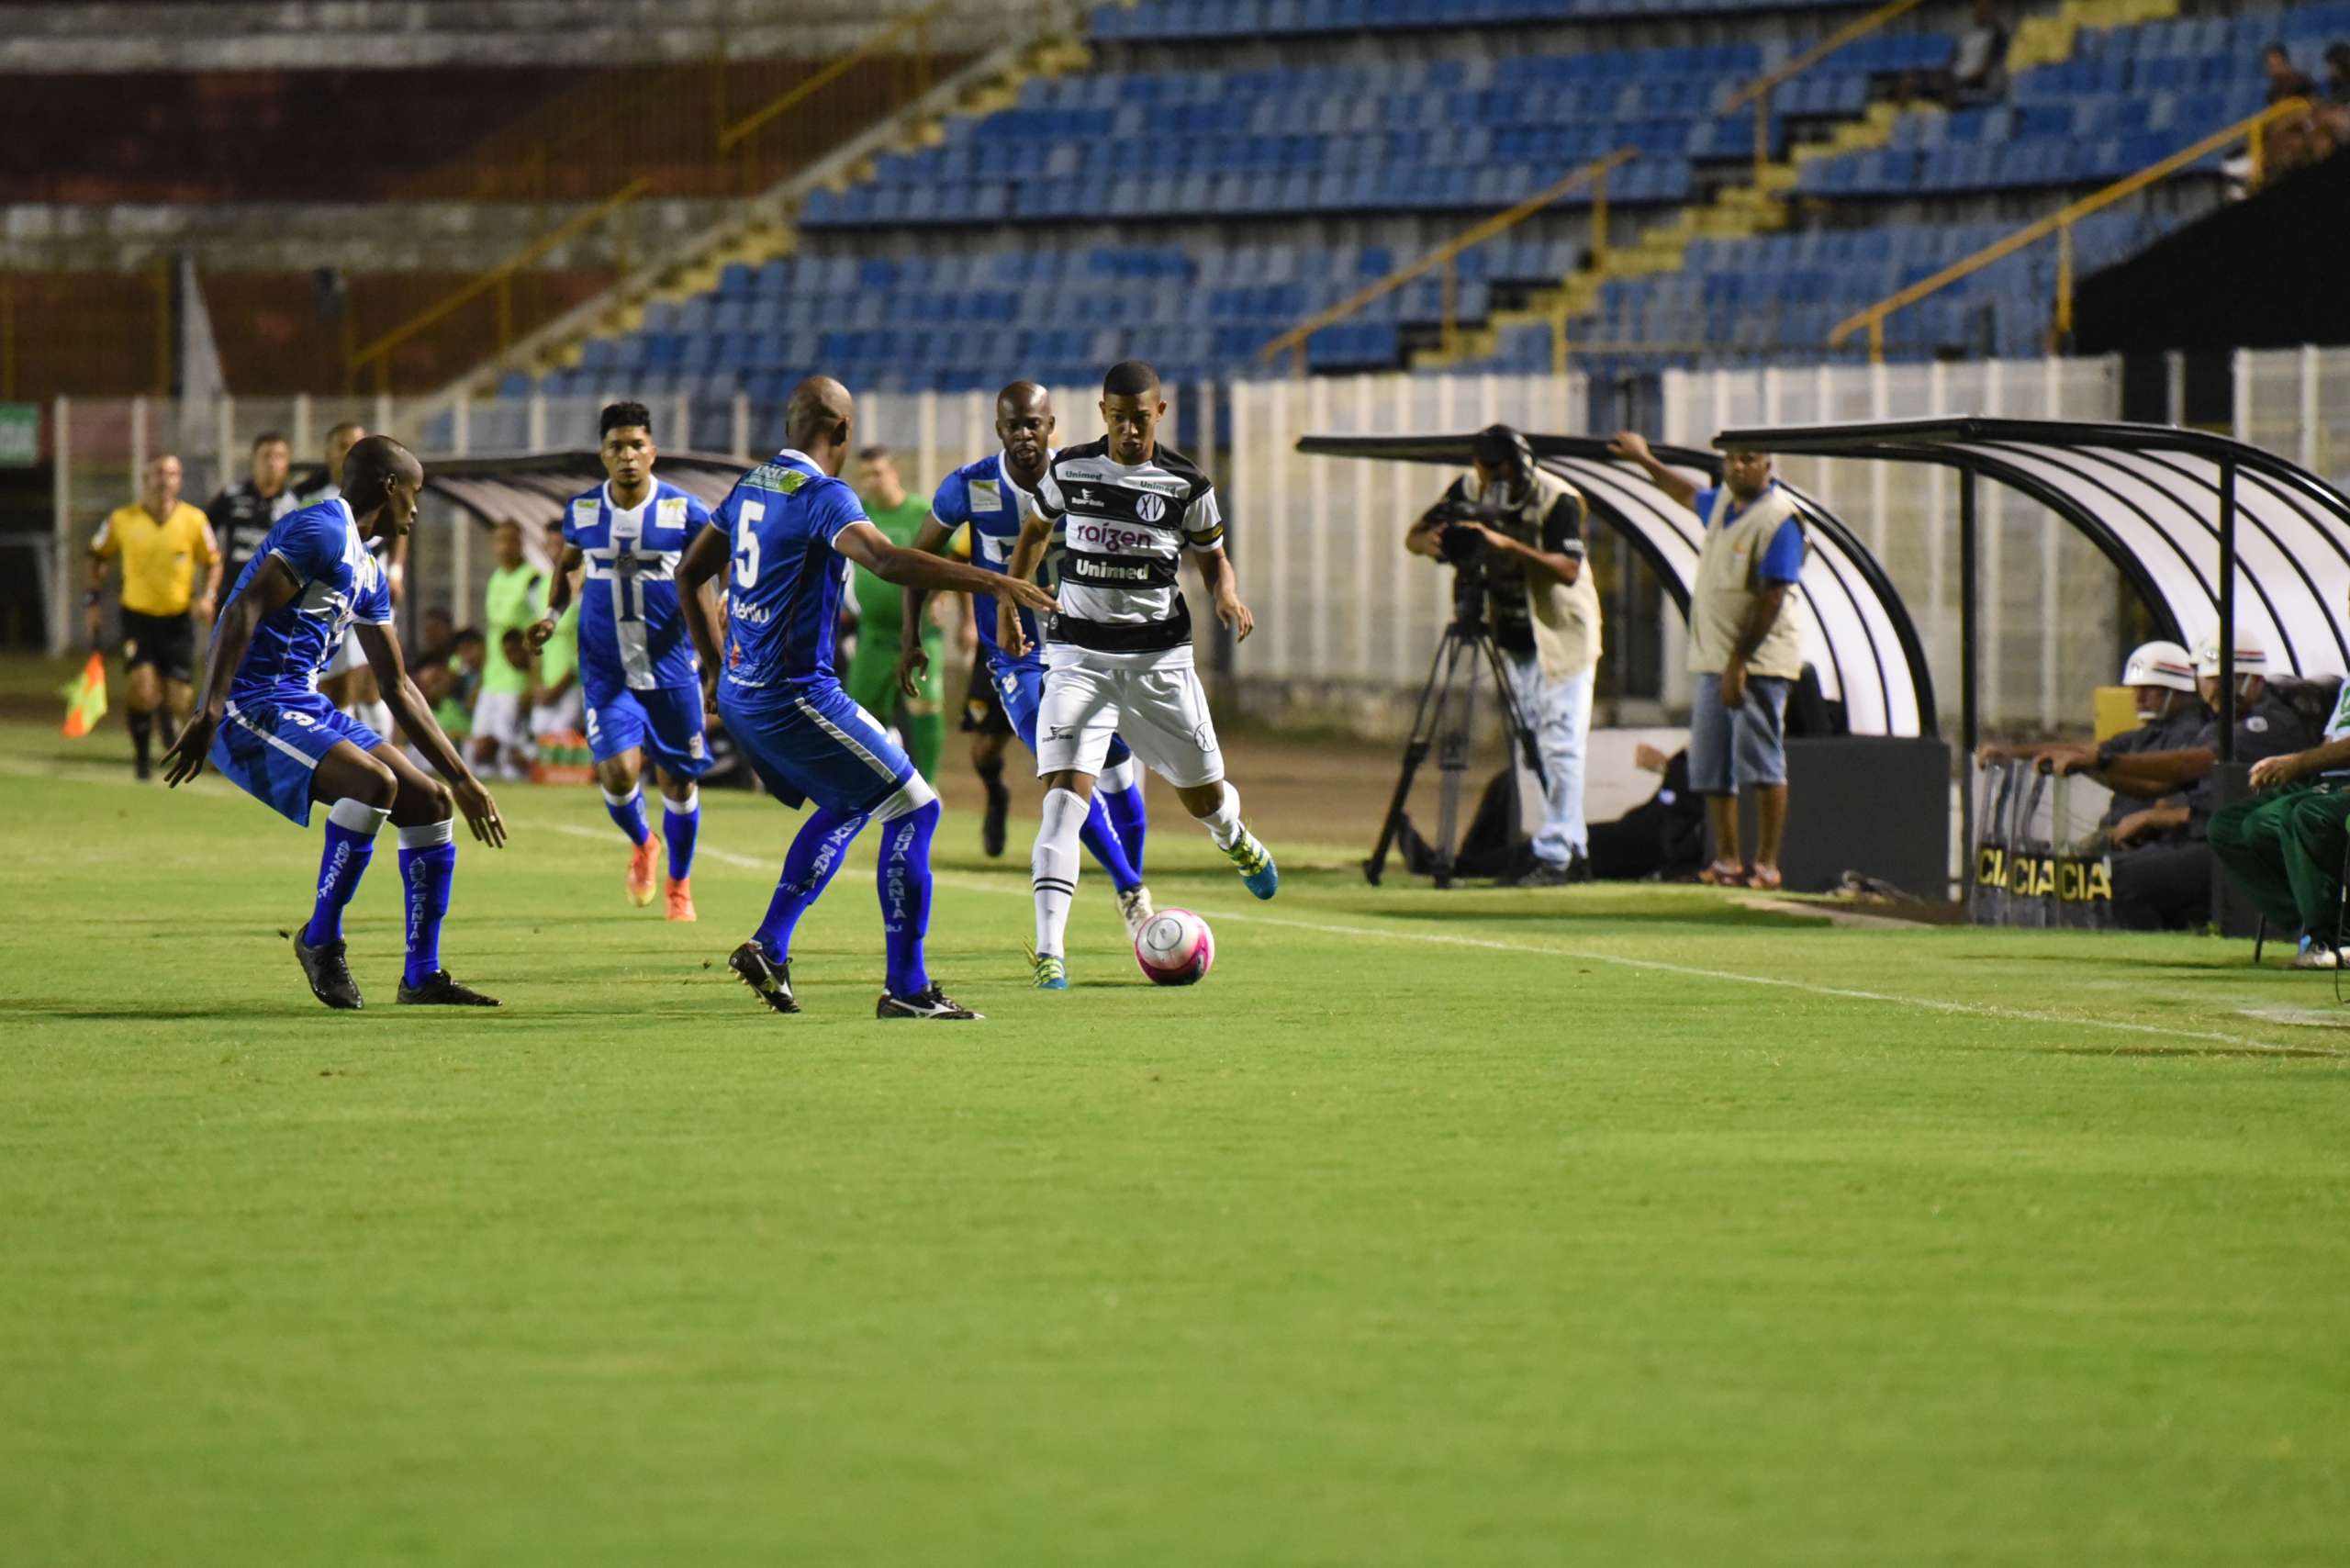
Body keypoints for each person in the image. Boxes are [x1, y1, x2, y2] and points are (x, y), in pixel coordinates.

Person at [677, 375, 1058, 1019]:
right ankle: (906, 989)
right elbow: (884, 560)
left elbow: (689, 574)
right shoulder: (824, 496)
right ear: (844, 433)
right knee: (915, 808)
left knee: (859, 796)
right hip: (794, 696)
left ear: (786, 429)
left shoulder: (751, 485)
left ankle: (770, 945)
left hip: (745, 694)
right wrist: (994, 583)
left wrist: (714, 670)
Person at [158, 435, 504, 1010]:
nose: (416, 509)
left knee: (431, 802)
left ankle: (421, 975)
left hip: (302, 702)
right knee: (375, 784)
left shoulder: (366, 566)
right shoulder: (321, 530)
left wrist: (464, 778)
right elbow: (242, 608)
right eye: (413, 493)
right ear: (389, 487)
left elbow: (396, 685)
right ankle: (320, 940)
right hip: (251, 704)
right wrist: (210, 709)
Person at [1002, 360, 1277, 991]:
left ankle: (1233, 836)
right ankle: (1051, 953)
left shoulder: (1187, 483)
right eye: (1119, 417)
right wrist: (1009, 602)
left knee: (1203, 796)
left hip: (1159, 663)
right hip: (1078, 660)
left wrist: (1227, 596)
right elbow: (1035, 533)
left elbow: (1213, 558)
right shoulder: (1068, 469)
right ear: (1103, 413)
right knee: (1063, 805)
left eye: (1141, 417)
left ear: (1160, 413)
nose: (1130, 429)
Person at [897, 381, 1156, 934]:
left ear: (1051, 426)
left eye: (1033, 424)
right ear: (1000, 431)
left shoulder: (1085, 478)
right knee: (1059, 762)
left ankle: (1131, 879)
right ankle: (1131, 891)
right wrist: (911, 637)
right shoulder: (970, 486)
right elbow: (916, 560)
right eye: (1013, 425)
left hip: (1084, 648)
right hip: (1013, 657)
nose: (1024, 435)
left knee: (1114, 767)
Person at [527, 402, 715, 918]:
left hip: (672, 670)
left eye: (636, 446)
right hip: (608, 672)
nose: (628, 456)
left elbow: (713, 576)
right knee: (616, 774)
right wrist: (551, 613)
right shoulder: (583, 512)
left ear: (652, 452)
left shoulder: (686, 511)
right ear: (602, 455)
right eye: (617, 447)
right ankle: (643, 844)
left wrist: (720, 636)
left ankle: (680, 882)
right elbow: (565, 568)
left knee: (679, 781)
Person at [1404, 422, 1603, 885]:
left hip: (1561, 634)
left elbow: (1568, 568)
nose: (1495, 481)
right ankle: (1569, 847)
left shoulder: (1557, 498)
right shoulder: (1469, 488)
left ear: (1521, 466)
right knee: (1533, 747)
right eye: (1487, 470)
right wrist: (1433, 543)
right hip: (1512, 635)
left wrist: (1505, 543)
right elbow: (1414, 535)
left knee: (1561, 743)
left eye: (1504, 472)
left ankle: (1556, 854)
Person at [1610, 431, 1805, 890]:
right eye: (1731, 460)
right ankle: (1727, 861)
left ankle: (1767, 865)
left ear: (1768, 465)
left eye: (1748, 459)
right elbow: (1684, 492)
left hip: (1757, 662)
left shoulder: (1780, 520)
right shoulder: (1722, 505)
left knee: (1761, 761)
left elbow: (1773, 597)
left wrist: (1739, 662)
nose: (1737, 467)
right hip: (1715, 659)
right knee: (1711, 765)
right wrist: (1644, 459)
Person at [2099, 636, 2312, 931]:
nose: (2215, 689)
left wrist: (2104, 762)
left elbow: (2190, 764)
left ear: (2256, 679)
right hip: (2200, 836)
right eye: (2209, 679)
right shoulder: (2216, 725)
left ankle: (2154, 956)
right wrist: (2094, 767)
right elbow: (2159, 786)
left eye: (2228, 679)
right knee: (2119, 865)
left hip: (2236, 842)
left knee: (2126, 879)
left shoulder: (2267, 724)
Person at [85, 453, 221, 779]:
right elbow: (96, 555)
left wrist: (208, 596)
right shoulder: (122, 519)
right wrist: (92, 601)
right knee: (143, 688)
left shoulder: (194, 520)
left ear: (179, 480)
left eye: (173, 474)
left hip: (177, 620)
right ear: (145, 479)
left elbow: (213, 561)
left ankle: (166, 718)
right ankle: (143, 762)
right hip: (138, 618)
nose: (166, 480)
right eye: (159, 473)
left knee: (180, 699)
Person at [2209, 670, 2350, 969]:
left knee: (2304, 814)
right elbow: (2332, 740)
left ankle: (2333, 937)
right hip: (2329, 778)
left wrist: (2298, 763)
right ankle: (2307, 923)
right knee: (2229, 826)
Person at [843, 445, 947, 783]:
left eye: (877, 473)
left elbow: (954, 562)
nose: (870, 482)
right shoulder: (857, 513)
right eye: (864, 476)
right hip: (872, 632)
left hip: (920, 633)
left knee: (925, 708)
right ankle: (871, 782)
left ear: (894, 473)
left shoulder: (921, 512)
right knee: (861, 712)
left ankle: (929, 785)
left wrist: (947, 599)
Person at [304, 422, 401, 740]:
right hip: (328, 595)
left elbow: (400, 527)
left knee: (376, 676)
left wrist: (396, 571)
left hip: (372, 588)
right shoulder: (307, 494)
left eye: (356, 444)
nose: (349, 451)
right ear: (328, 452)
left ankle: (382, 751)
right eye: (342, 444)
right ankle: (349, 753)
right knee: (335, 682)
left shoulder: (382, 488)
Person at [472, 519, 543, 781]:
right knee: (480, 751)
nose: (505, 546)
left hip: (516, 679)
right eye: (500, 540)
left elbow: (541, 636)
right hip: (493, 678)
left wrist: (533, 682)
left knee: (511, 754)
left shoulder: (533, 580)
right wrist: (480, 681)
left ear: (521, 543)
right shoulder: (496, 579)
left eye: (511, 540)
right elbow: (493, 635)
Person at [207, 430, 297, 582]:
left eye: (279, 457)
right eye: (266, 455)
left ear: (287, 465)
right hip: (233, 592)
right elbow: (204, 532)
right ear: (253, 460)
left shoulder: (296, 505)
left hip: (273, 594)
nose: (272, 463)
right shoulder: (231, 496)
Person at [528, 517, 583, 745]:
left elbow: (584, 642)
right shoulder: (538, 587)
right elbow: (536, 640)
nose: (556, 551)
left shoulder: (584, 586)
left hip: (572, 683)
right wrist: (538, 683)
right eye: (551, 545)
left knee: (562, 742)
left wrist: (559, 687)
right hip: (546, 683)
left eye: (561, 545)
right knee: (540, 738)